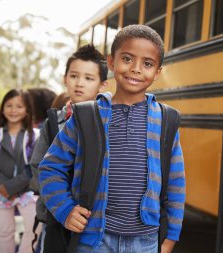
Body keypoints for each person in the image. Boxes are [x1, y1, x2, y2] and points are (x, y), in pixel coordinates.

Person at [39, 24, 186, 253]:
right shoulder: (86, 116)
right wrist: (66, 210)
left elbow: (176, 182)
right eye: (127, 58)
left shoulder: (166, 120)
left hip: (145, 241)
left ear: (157, 72)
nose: (136, 69)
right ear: (111, 62)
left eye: (147, 63)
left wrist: (172, 235)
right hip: (93, 239)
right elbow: (50, 168)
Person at [30, 44, 108, 252]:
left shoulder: (106, 122)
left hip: (92, 219)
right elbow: (38, 167)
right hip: (55, 217)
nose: (79, 83)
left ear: (102, 85)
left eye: (89, 78)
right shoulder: (53, 122)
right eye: (74, 76)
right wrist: (62, 203)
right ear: (65, 78)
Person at [0, 88, 41, 253]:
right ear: (2, 108)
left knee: (35, 226)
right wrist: (3, 187)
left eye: (19, 106)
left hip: (26, 190)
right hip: (0, 191)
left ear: (27, 110)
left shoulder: (35, 136)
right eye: (9, 105)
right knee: (4, 232)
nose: (13, 110)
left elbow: (34, 166)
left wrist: (12, 187)